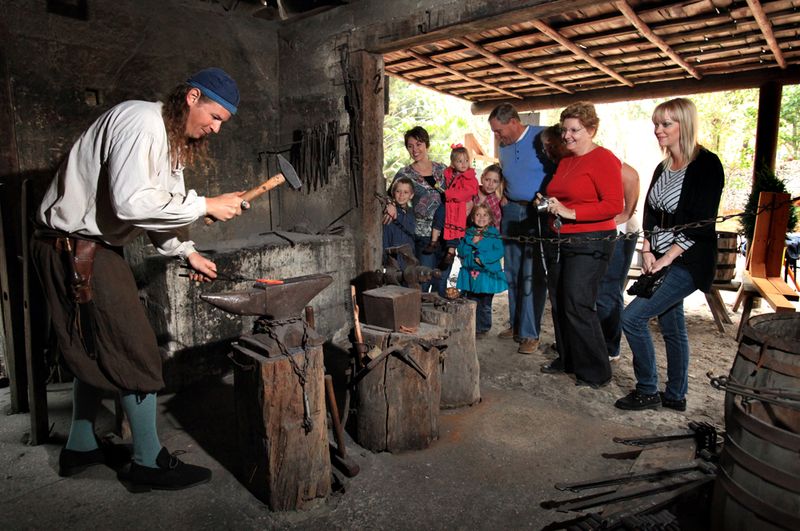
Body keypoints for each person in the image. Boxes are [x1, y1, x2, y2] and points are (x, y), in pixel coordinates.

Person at [31, 67, 247, 491]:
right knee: (136, 348)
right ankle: (148, 461)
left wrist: (187, 251)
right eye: (215, 115)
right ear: (192, 97)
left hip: (87, 246)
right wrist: (206, 205)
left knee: (94, 347)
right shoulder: (141, 121)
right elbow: (132, 204)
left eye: (223, 121)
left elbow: (159, 206)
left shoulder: (170, 143)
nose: (216, 127)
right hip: (72, 246)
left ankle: (80, 445)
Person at [615, 98, 724, 411]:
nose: (658, 130)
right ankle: (675, 395)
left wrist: (667, 258)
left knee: (632, 318)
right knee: (673, 327)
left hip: (689, 260)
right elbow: (651, 210)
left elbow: (702, 221)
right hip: (660, 254)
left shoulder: (707, 165)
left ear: (684, 126)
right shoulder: (664, 166)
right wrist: (649, 247)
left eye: (666, 124)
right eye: (656, 124)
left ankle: (648, 389)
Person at [539, 101, 623, 388]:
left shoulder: (604, 159)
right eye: (565, 130)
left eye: (575, 130)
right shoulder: (566, 160)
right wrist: (552, 205)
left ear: (592, 129)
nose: (567, 136)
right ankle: (568, 359)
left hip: (592, 240)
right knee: (560, 301)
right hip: (562, 239)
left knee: (578, 302)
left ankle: (596, 371)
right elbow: (564, 195)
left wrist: (572, 213)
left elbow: (614, 205)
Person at [488, 104, 553, 354]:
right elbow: (506, 173)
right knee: (512, 272)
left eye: (499, 130)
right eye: (494, 131)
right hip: (511, 210)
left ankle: (530, 333)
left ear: (514, 121)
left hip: (536, 212)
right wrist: (504, 195)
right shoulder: (503, 145)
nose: (497, 136)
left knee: (531, 274)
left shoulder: (544, 136)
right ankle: (516, 324)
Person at [385, 126, 451, 295]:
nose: (415, 150)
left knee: (441, 282)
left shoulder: (442, 170)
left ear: (426, 145)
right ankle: (416, 318)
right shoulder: (404, 173)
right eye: (410, 146)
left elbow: (458, 193)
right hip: (422, 236)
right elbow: (390, 195)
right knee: (422, 279)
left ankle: (437, 319)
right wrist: (390, 204)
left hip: (446, 234)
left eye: (419, 144)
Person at [596, 164, 640, 361]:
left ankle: (609, 347)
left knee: (608, 290)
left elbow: (631, 177)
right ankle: (593, 341)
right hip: (595, 231)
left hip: (619, 230)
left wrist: (626, 213)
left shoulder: (605, 159)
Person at [456, 204, 507, 338]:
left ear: (490, 218)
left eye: (485, 215)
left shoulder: (494, 233)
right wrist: (472, 242)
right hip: (470, 274)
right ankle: (471, 325)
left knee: (484, 302)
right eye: (478, 214)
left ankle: (483, 328)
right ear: (472, 218)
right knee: (471, 300)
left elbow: (500, 251)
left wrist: (483, 259)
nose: (481, 217)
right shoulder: (469, 233)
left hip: (486, 275)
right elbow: (461, 251)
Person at [426, 144, 479, 269]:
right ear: (453, 163)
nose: (464, 164)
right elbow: (446, 176)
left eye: (466, 160)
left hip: (459, 207)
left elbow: (467, 193)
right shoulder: (450, 173)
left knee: (455, 227)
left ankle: (451, 251)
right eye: (459, 161)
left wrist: (449, 194)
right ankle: (433, 241)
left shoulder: (470, 178)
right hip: (448, 205)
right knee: (439, 215)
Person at [382, 177, 416, 270]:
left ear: (411, 195)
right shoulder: (389, 211)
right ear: (393, 193)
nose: (401, 195)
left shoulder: (411, 215)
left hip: (408, 261)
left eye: (406, 192)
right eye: (398, 191)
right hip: (392, 260)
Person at [472, 164, 504, 230]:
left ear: (499, 183)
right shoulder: (471, 193)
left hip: (488, 236)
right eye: (487, 180)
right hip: (469, 233)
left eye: (495, 181)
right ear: (482, 178)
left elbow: (497, 224)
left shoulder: (497, 201)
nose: (490, 184)